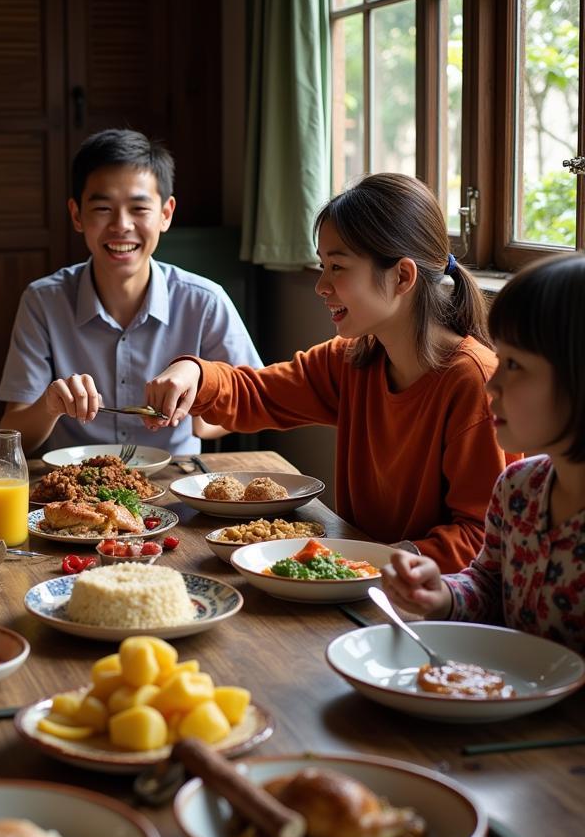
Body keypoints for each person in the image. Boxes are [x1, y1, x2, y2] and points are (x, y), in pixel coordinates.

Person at [144, 172, 515, 574]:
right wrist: (193, 373)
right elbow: (258, 394)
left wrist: (369, 562)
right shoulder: (354, 360)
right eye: (323, 265)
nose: (321, 285)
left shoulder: (475, 382)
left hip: (434, 611)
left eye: (337, 267)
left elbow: (483, 537)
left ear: (403, 276)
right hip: (365, 584)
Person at [0, 128, 261, 455]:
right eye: (103, 208)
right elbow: (13, 437)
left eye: (139, 209)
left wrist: (202, 399)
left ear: (166, 214)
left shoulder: (205, 301)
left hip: (176, 484)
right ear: (77, 215)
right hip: (75, 488)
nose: (121, 225)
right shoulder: (43, 301)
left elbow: (252, 405)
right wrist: (50, 405)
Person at [383, 255, 585, 652]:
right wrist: (441, 593)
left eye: (515, 365)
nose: (492, 385)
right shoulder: (519, 488)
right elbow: (489, 584)